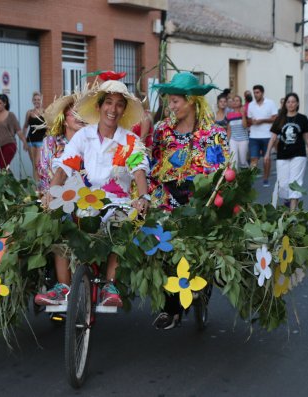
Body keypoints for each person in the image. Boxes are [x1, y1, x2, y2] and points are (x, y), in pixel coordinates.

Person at [37, 78, 150, 307]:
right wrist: (51, 193)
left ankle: (111, 285)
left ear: (124, 110)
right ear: (99, 107)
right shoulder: (83, 135)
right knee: (57, 219)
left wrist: (142, 197)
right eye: (108, 102)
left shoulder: (130, 140)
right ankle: (63, 287)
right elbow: (64, 166)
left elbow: (139, 170)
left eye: (119, 104)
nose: (113, 109)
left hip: (117, 203)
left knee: (123, 226)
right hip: (84, 199)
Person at [150, 72, 229, 328]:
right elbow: (153, 164)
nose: (171, 107)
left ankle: (198, 289)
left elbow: (221, 174)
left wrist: (213, 204)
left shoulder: (213, 133)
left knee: (195, 251)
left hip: (199, 203)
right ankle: (169, 308)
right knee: (164, 248)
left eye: (175, 101)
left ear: (192, 101)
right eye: (169, 102)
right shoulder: (162, 130)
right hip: (168, 200)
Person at [34, 93, 85, 305]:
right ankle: (62, 287)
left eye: (84, 113)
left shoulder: (91, 143)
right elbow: (44, 174)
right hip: (54, 199)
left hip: (85, 202)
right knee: (59, 224)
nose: (80, 117)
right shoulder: (50, 142)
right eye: (75, 112)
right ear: (64, 116)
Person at [264, 93, 308, 210]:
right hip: (282, 155)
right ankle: (288, 202)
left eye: (293, 102)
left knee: (295, 183)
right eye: (288, 102)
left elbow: (307, 137)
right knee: (282, 185)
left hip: (298, 154)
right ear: (285, 104)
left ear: (297, 103)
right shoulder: (280, 119)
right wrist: (267, 153)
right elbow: (273, 137)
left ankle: (292, 214)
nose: (291, 104)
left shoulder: (302, 118)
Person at [247, 84, 277, 187]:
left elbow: (275, 118)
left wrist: (262, 120)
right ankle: (250, 179)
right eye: (254, 93)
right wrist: (252, 121)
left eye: (257, 92)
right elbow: (249, 119)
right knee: (253, 159)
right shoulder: (251, 105)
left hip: (267, 135)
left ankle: (266, 178)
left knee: (266, 158)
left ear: (262, 93)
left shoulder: (270, 103)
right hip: (254, 136)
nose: (256, 95)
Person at [0, 94, 28, 170]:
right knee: (3, 168)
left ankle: (9, 181)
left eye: (0, 103)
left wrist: (24, 142)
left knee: (3, 165)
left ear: (5, 103)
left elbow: (19, 131)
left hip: (9, 144)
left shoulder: (11, 115)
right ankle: (11, 181)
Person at [23, 92, 46, 181]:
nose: (37, 101)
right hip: (30, 141)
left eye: (38, 100)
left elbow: (50, 127)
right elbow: (25, 126)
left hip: (41, 141)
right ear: (32, 101)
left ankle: (41, 184)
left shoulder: (45, 112)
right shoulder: (29, 113)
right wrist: (24, 141)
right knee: (34, 165)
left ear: (41, 100)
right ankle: (37, 187)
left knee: (38, 164)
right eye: (35, 100)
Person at [227, 95, 249, 169]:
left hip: (243, 139)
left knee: (243, 161)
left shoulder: (244, 113)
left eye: (237, 100)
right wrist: (227, 141)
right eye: (234, 100)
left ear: (240, 103)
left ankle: (246, 174)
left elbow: (245, 126)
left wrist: (243, 114)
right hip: (233, 139)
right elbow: (229, 129)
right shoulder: (229, 115)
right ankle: (234, 178)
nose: (235, 102)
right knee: (233, 160)